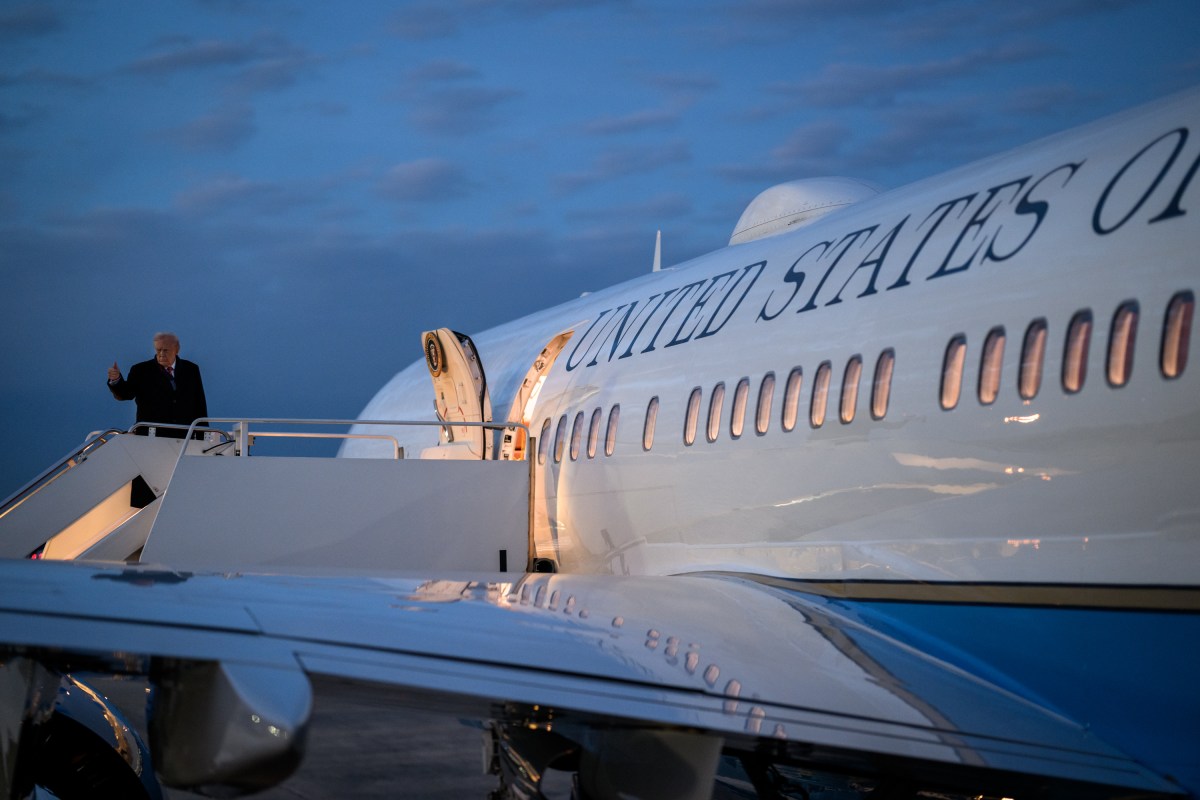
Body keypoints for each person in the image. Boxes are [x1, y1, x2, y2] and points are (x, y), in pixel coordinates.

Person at [107, 332, 208, 438]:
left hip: (184, 437)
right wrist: (116, 380)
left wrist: (203, 436)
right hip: (151, 437)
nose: (161, 354)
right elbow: (125, 394)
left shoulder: (191, 369)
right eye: (158, 350)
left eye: (165, 350)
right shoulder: (141, 370)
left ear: (177, 349)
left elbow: (199, 405)